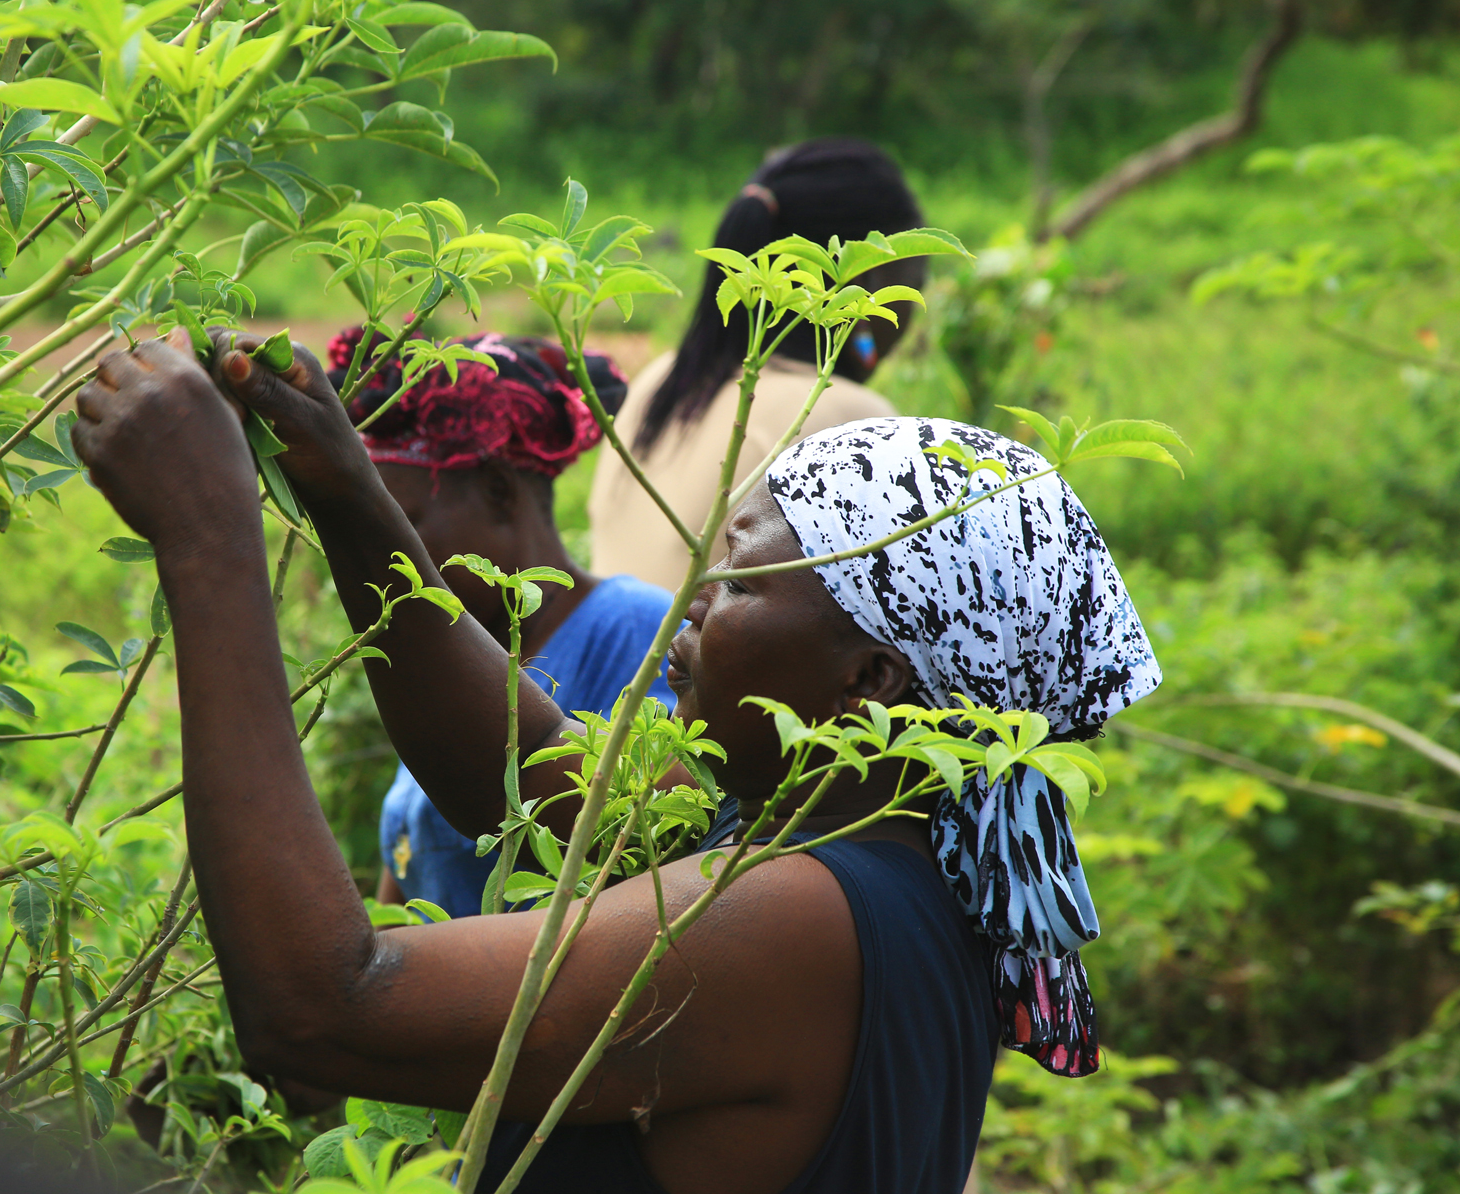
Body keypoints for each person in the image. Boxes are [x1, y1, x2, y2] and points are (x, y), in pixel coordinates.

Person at [69, 331, 1161, 1194]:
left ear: (867, 683)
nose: (690, 600)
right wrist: (351, 495)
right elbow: (526, 774)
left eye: (739, 583)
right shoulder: (855, 841)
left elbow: (324, 1011)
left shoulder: (795, 918)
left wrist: (210, 540)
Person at [324, 327, 677, 918]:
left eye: (402, 525)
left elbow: (653, 866)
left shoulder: (635, 632)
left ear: (497, 491)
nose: (381, 560)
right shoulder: (449, 655)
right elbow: (403, 886)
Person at [588, 138, 925, 588]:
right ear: (867, 280)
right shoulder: (855, 422)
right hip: (689, 657)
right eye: (915, 279)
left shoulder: (663, 376)